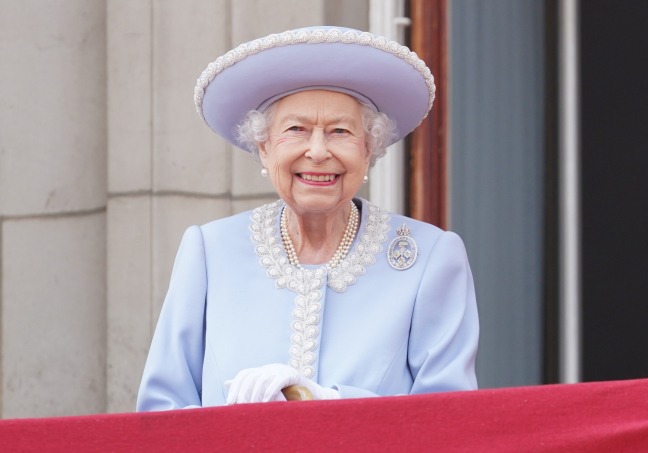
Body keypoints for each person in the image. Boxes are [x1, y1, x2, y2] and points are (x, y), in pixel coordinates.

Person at [137, 26, 479, 411]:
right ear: (264, 147)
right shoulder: (209, 252)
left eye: (340, 131)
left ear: (369, 149)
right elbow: (161, 411)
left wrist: (330, 403)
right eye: (296, 129)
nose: (317, 151)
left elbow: (450, 417)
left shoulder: (431, 258)